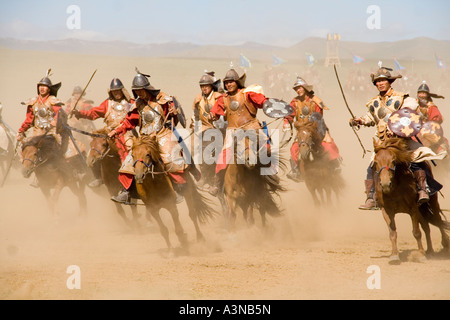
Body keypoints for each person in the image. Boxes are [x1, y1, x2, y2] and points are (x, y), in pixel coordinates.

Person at [350, 64, 439, 210]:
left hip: (401, 141)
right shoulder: (374, 102)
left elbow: (410, 114)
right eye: (377, 81)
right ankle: (371, 197)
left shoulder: (403, 98)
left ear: (389, 82)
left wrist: (397, 127)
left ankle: (423, 190)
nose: (380, 83)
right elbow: (371, 117)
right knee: (371, 167)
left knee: (417, 161)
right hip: (383, 143)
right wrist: (359, 120)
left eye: (383, 80)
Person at [107, 69, 185, 204]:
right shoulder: (137, 105)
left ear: (147, 88)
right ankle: (126, 192)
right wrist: (116, 131)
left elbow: (175, 117)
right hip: (144, 139)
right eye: (136, 91)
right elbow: (128, 122)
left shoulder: (162, 100)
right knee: (128, 163)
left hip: (161, 135)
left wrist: (174, 112)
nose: (139, 93)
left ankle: (177, 189)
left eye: (141, 89)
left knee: (169, 158)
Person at [207, 67, 272, 196]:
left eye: (231, 82)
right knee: (223, 156)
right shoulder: (223, 98)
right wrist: (212, 115)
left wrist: (269, 104)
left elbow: (262, 102)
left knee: (266, 147)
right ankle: (217, 182)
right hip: (232, 131)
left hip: (251, 127)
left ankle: (269, 174)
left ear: (237, 82)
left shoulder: (247, 94)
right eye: (226, 82)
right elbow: (215, 111)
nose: (228, 84)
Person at [72, 78, 134, 188]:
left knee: (131, 148)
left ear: (122, 91)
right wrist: (80, 113)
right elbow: (93, 113)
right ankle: (98, 177)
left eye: (118, 90)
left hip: (127, 132)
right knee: (94, 149)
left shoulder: (130, 103)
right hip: (109, 132)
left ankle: (134, 179)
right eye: (114, 91)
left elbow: (136, 116)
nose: (116, 93)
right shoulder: (107, 103)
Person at [283, 76, 342, 182]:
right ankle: (296, 171)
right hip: (302, 131)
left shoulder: (315, 101)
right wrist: (287, 122)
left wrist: (312, 126)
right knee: (294, 149)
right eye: (296, 89)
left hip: (316, 129)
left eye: (300, 88)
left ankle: (335, 165)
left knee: (328, 145)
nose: (298, 90)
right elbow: (289, 115)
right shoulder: (294, 102)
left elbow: (319, 117)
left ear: (305, 88)